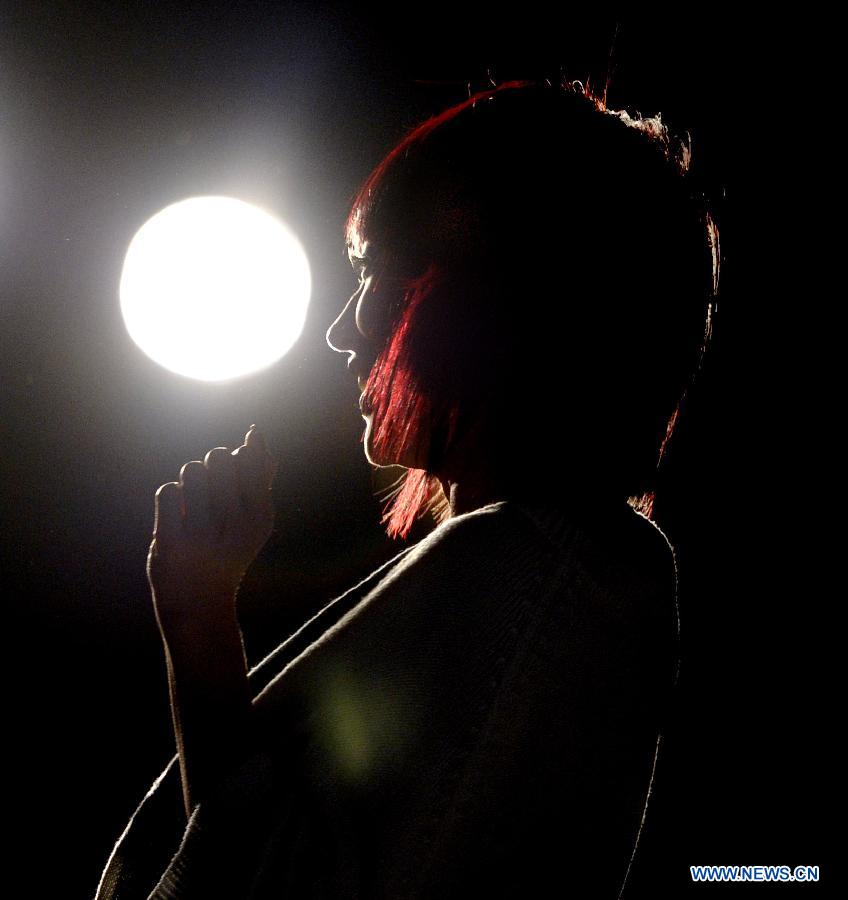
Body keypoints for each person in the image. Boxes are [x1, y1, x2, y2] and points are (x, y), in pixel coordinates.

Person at [95, 79, 719, 899]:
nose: (343, 328)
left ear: (489, 301)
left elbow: (268, 884)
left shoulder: (539, 569)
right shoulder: (557, 570)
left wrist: (201, 622)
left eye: (379, 274)